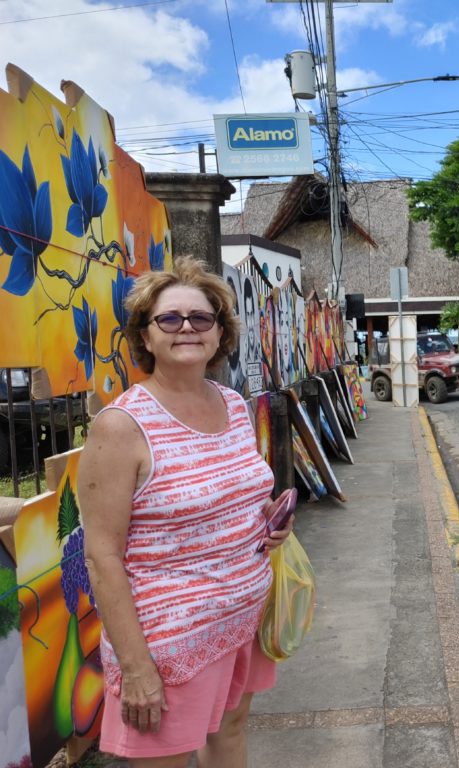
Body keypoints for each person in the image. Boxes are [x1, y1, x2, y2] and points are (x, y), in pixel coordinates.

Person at [80, 256, 293, 767]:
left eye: (201, 318)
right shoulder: (122, 427)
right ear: (145, 337)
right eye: (169, 319)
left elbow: (231, 494)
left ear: (220, 334)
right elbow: (101, 556)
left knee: (230, 734)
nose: (186, 329)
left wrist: (265, 518)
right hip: (166, 646)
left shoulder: (232, 403)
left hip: (241, 619)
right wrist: (136, 668)